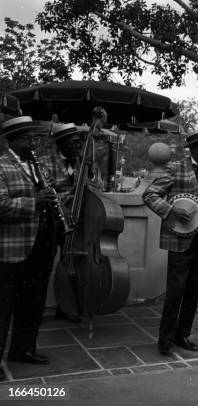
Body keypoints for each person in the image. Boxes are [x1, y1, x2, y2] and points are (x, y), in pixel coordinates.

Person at [142, 128, 198, 356]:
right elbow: (150, 195)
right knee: (175, 292)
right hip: (179, 239)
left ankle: (183, 335)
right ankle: (165, 341)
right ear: (192, 147)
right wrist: (171, 211)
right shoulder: (175, 169)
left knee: (193, 292)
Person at [0, 116, 59, 380]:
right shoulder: (1, 165)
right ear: (12, 139)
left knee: (34, 301)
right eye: (27, 138)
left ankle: (23, 349)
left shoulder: (37, 165)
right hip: (13, 246)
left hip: (41, 243)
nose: (32, 142)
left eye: (33, 138)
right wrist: (35, 200)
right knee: (4, 305)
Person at [40, 123, 86, 323]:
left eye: (80, 142)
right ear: (61, 143)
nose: (78, 146)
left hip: (76, 222)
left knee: (72, 264)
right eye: (74, 143)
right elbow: (46, 193)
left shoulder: (84, 164)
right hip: (52, 223)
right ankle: (35, 310)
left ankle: (66, 306)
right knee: (44, 266)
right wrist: (72, 196)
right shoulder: (43, 163)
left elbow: (96, 186)